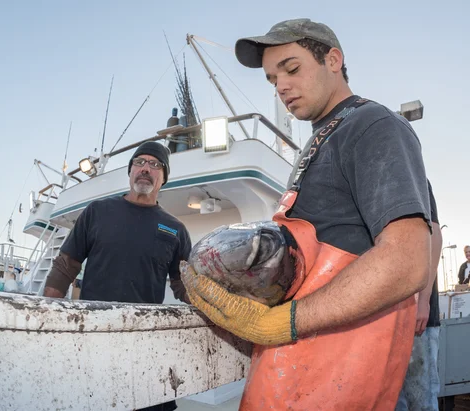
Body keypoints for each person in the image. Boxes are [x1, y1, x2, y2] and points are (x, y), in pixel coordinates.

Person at [180, 18, 433, 409]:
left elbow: (406, 259)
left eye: (292, 68)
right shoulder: (323, 138)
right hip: (294, 380)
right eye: (271, 79)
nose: (280, 86)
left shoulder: (373, 126)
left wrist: (283, 323)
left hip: (335, 383)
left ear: (333, 60)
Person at [43, 141, 191, 411]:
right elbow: (66, 266)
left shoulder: (175, 229)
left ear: (164, 177)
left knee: (153, 405)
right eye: (139, 162)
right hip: (96, 337)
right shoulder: (97, 212)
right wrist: (47, 319)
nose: (145, 169)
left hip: (146, 342)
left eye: (154, 164)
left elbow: (183, 284)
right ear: (130, 171)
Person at [396, 180, 442, 410]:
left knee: (421, 402)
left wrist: (423, 301)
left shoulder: (413, 175)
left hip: (416, 318)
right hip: (387, 319)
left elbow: (433, 235)